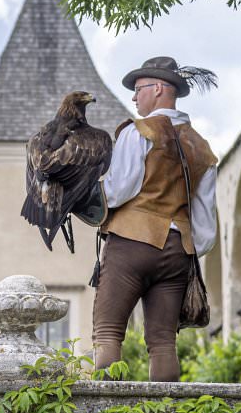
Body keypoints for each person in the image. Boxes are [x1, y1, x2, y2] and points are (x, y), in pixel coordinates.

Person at [92, 56, 218, 382]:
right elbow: (205, 221)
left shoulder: (139, 132)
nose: (134, 98)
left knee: (107, 332)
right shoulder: (202, 148)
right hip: (179, 251)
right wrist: (186, 246)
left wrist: (88, 197)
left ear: (159, 88)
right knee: (163, 342)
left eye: (138, 89)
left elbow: (120, 189)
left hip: (132, 243)